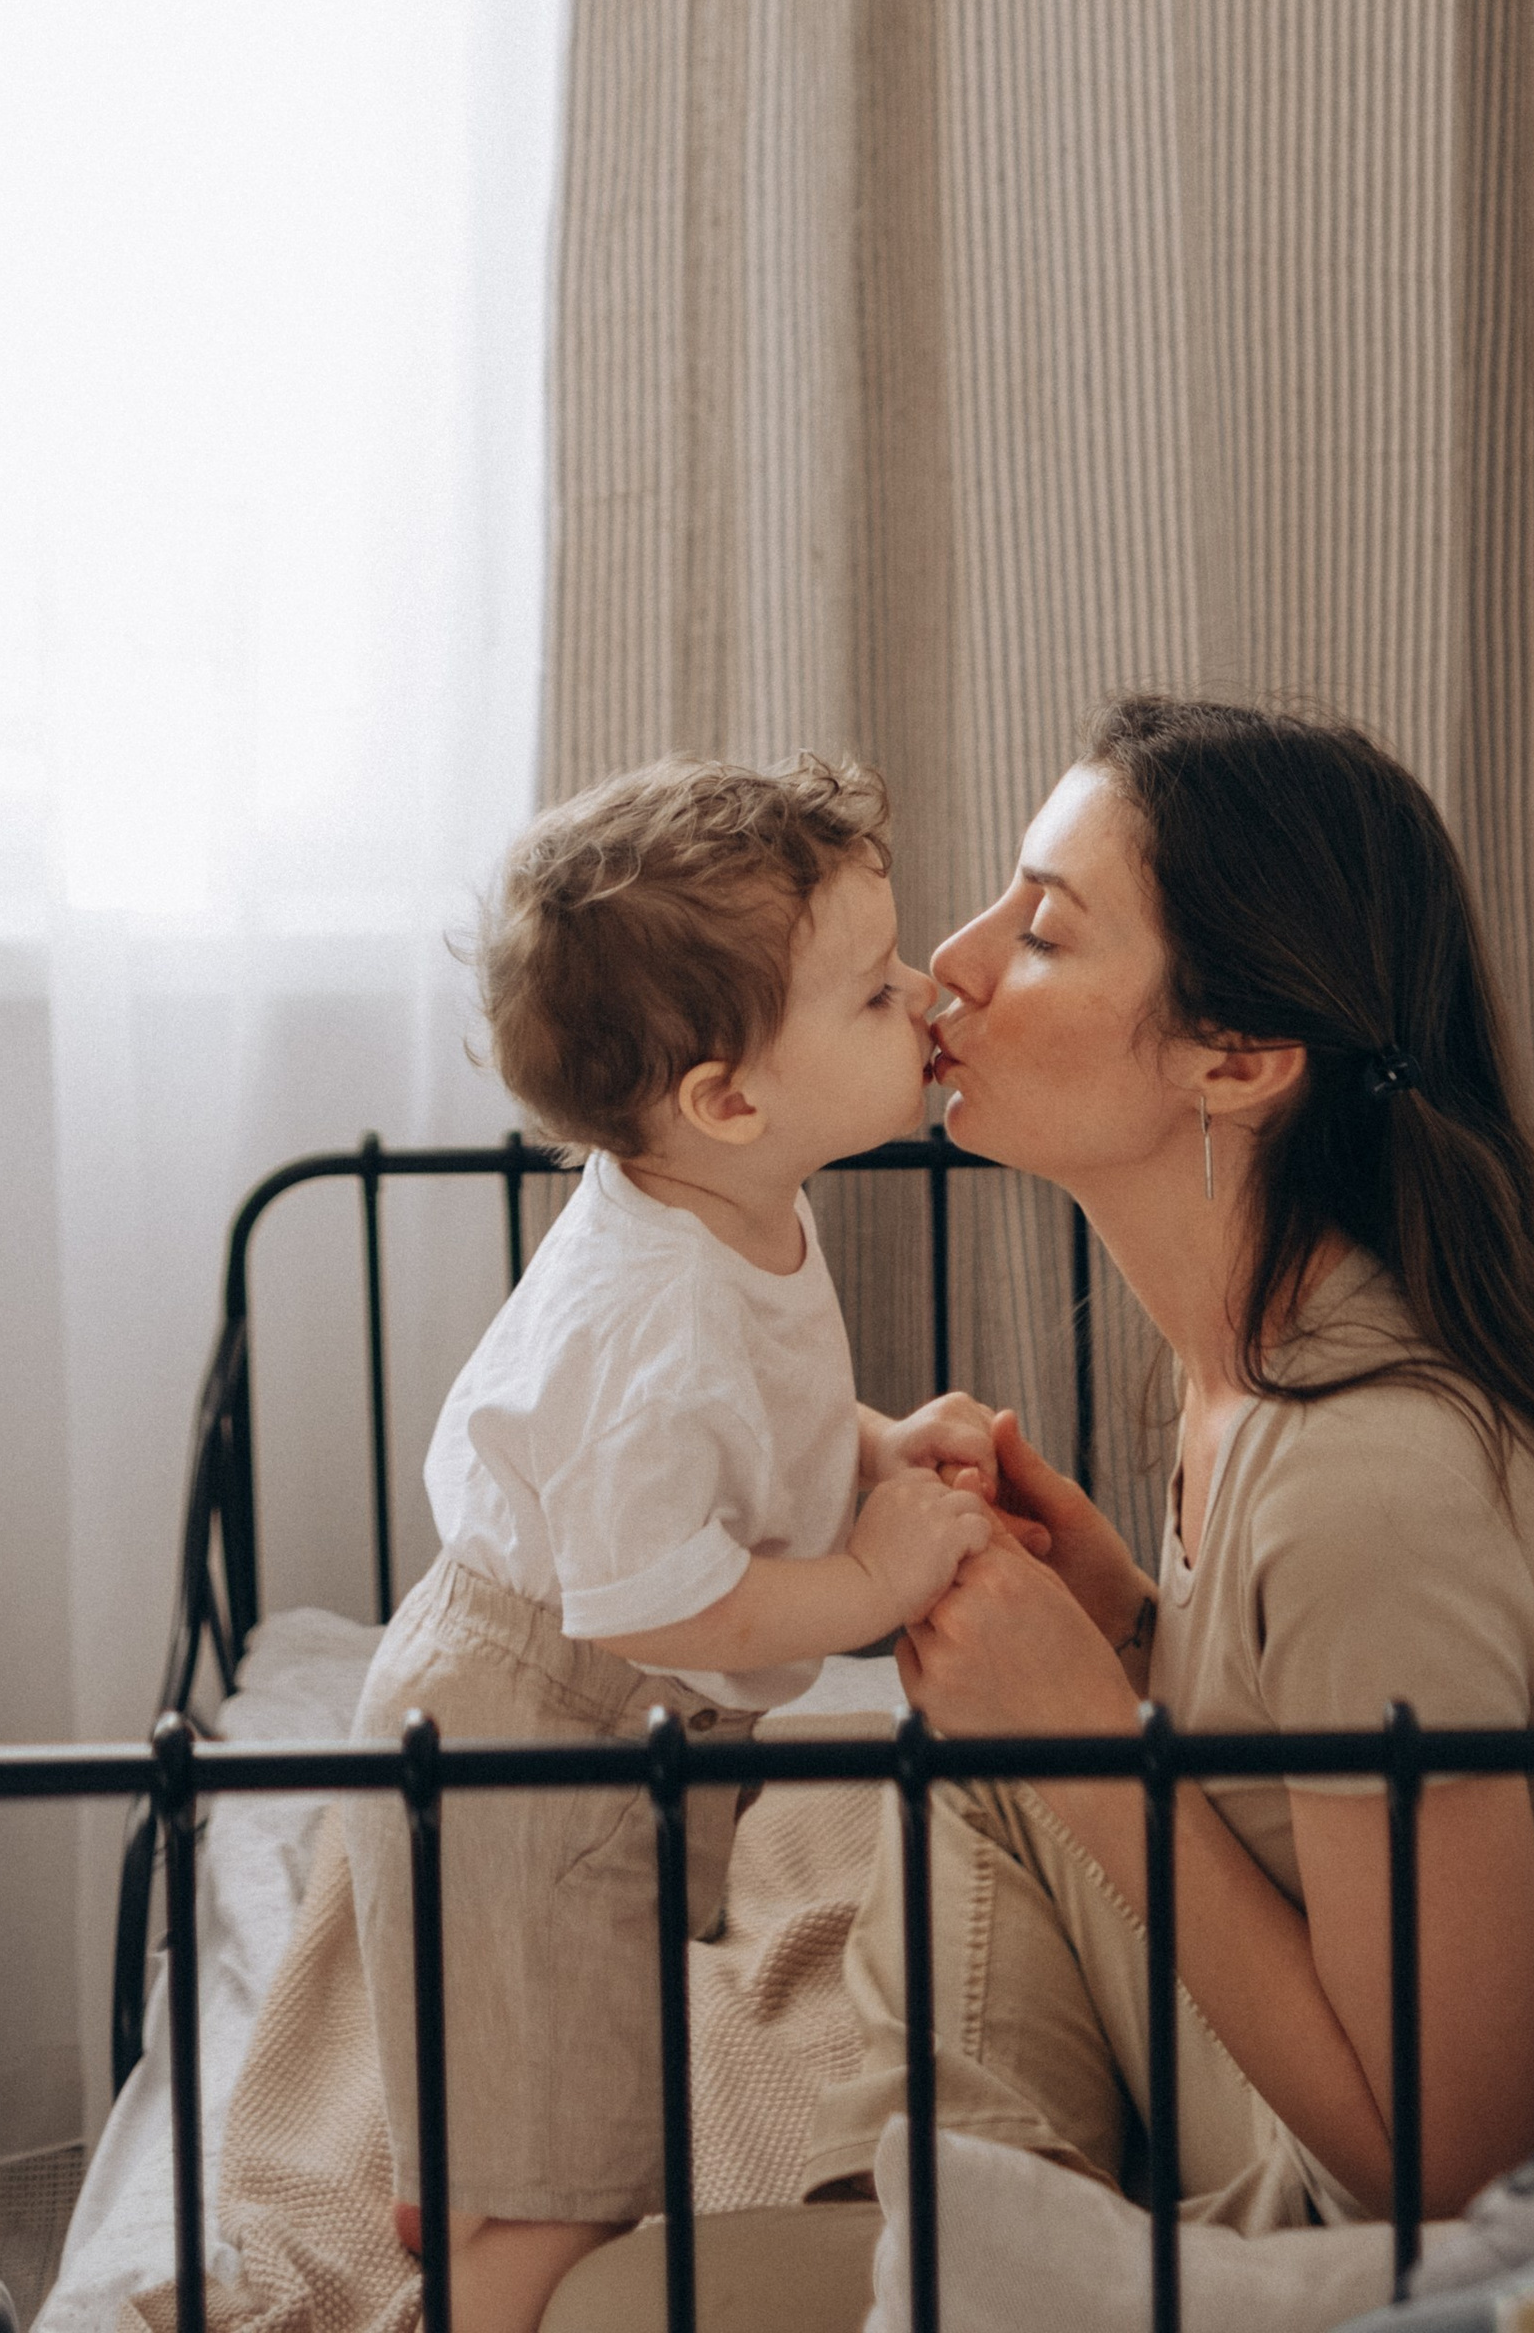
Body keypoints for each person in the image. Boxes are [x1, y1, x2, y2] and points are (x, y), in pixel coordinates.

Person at [800, 692, 1534, 2237]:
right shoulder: (1266, 1341)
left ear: (1237, 1061)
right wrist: (1129, 1630)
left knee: (1002, 1764)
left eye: (1044, 932)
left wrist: (1084, 1728)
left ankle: (956, 2246)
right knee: (967, 1758)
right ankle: (953, 2220)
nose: (950, 962)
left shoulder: (1372, 1478)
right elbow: (1291, 1754)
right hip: (1299, 2087)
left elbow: (1460, 2178)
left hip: (1382, 2228)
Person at [346, 754, 1002, 2333]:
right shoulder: (659, 1307)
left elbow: (754, 1430)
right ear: (725, 1094)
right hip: (533, 1736)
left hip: (543, 1719)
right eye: (869, 994)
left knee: (522, 2069)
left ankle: (467, 2181)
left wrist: (873, 1449)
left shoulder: (715, 1198)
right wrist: (871, 1582)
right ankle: (498, 2272)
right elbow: (659, 1594)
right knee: (578, 2184)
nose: (923, 995)